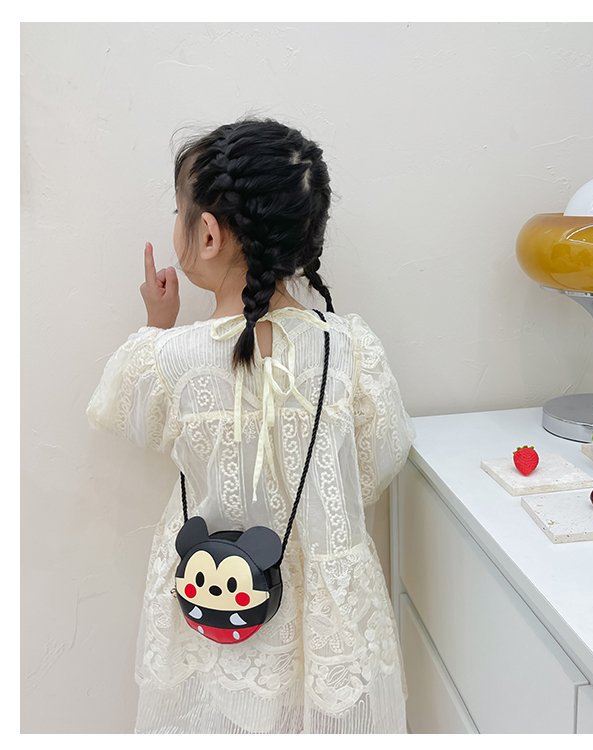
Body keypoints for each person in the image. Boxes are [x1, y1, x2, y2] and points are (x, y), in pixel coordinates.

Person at [85, 117, 417, 733]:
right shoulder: (350, 348)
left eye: (181, 211)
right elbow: (379, 459)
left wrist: (157, 325)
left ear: (208, 234)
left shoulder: (168, 358)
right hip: (326, 614)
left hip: (208, 599)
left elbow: (122, 409)